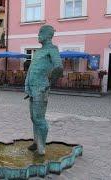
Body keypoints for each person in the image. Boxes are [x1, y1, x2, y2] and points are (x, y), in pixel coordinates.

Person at [24, 25, 63, 155]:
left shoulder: (52, 49)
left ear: (48, 35)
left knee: (39, 118)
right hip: (32, 89)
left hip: (41, 88)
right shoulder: (38, 51)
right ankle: (36, 142)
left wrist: (50, 82)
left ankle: (42, 148)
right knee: (33, 117)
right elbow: (31, 69)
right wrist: (27, 86)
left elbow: (59, 67)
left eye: (40, 32)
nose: (38, 35)